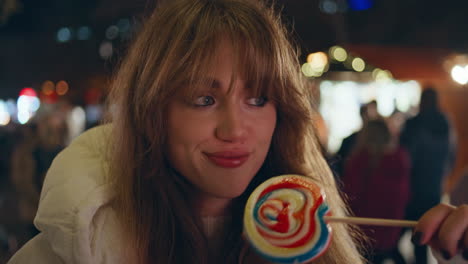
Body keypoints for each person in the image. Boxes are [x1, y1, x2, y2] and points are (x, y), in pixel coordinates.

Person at [7, 0, 468, 263]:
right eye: (203, 99)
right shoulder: (63, 253)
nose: (235, 130)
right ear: (153, 113)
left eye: (259, 98)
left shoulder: (319, 240)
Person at [400, 87, 458, 264]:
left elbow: (404, 158)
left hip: (412, 188)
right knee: (424, 235)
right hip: (434, 186)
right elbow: (452, 156)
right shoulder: (445, 123)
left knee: (403, 235)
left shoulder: (414, 124)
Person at [343, 119, 410, 264]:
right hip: (388, 226)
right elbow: (402, 196)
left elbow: (350, 195)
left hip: (362, 227)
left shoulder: (359, 159)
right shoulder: (399, 158)